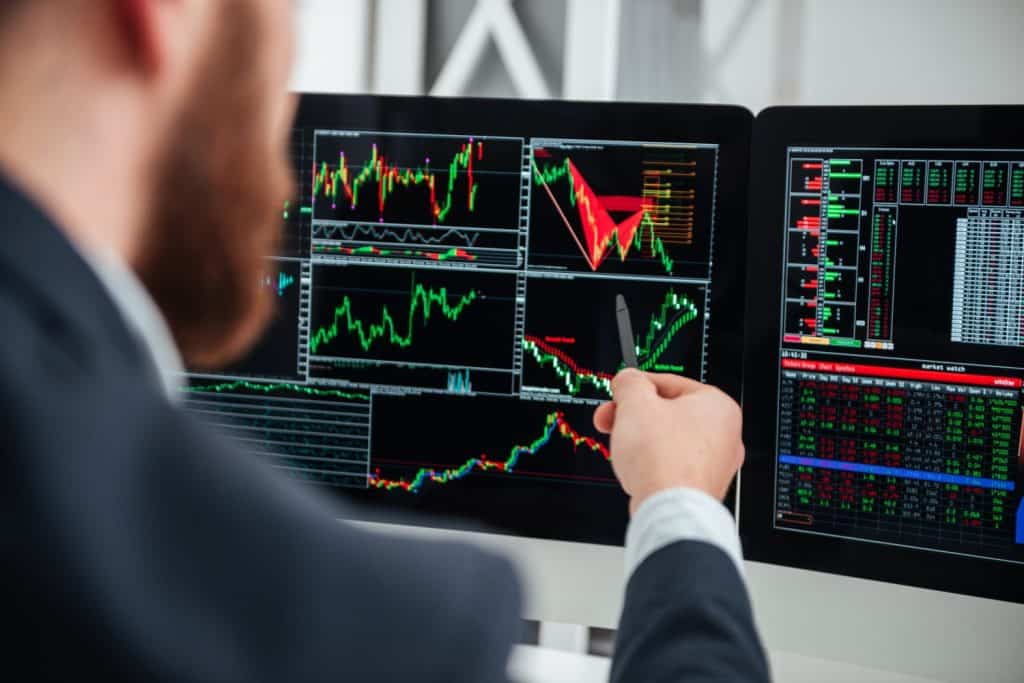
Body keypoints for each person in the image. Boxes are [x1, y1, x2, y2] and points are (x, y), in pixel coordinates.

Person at [0, 1, 769, 681]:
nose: (288, 94)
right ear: (166, 11)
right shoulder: (335, 625)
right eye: (285, 19)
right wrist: (680, 504)